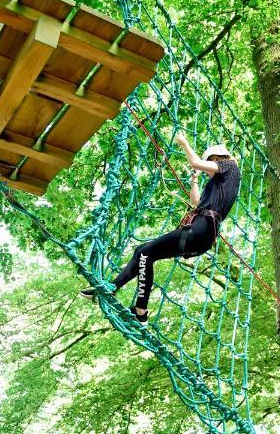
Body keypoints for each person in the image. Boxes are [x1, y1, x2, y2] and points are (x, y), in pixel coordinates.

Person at [81, 133, 241, 323]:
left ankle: (135, 305)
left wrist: (184, 143)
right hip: (201, 232)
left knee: (146, 252)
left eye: (210, 164)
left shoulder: (230, 167)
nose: (207, 170)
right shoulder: (217, 184)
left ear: (217, 159)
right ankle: (125, 299)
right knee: (142, 252)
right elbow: (195, 202)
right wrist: (194, 180)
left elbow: (196, 162)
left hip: (201, 229)